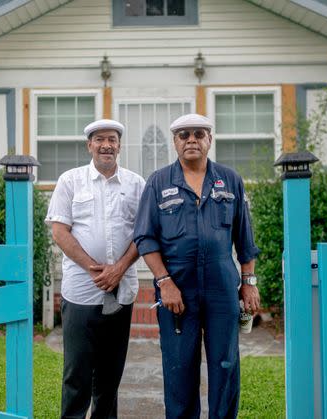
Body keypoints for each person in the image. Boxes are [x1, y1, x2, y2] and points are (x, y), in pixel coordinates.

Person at [133, 114, 260, 419]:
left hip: (221, 288)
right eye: (184, 135)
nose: (191, 139)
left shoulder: (230, 180)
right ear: (175, 142)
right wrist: (164, 281)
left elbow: (244, 237)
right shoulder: (159, 182)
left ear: (209, 140)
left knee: (225, 364)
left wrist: (249, 282)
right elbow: (144, 237)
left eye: (198, 134)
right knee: (179, 367)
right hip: (177, 289)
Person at [45, 119, 145, 419]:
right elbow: (60, 232)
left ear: (119, 145)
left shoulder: (136, 184)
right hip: (81, 292)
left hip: (122, 291)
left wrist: (119, 268)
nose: (106, 145)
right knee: (76, 374)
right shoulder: (70, 181)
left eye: (112, 139)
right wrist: (95, 269)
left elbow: (144, 233)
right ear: (89, 145)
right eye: (99, 139)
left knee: (109, 378)